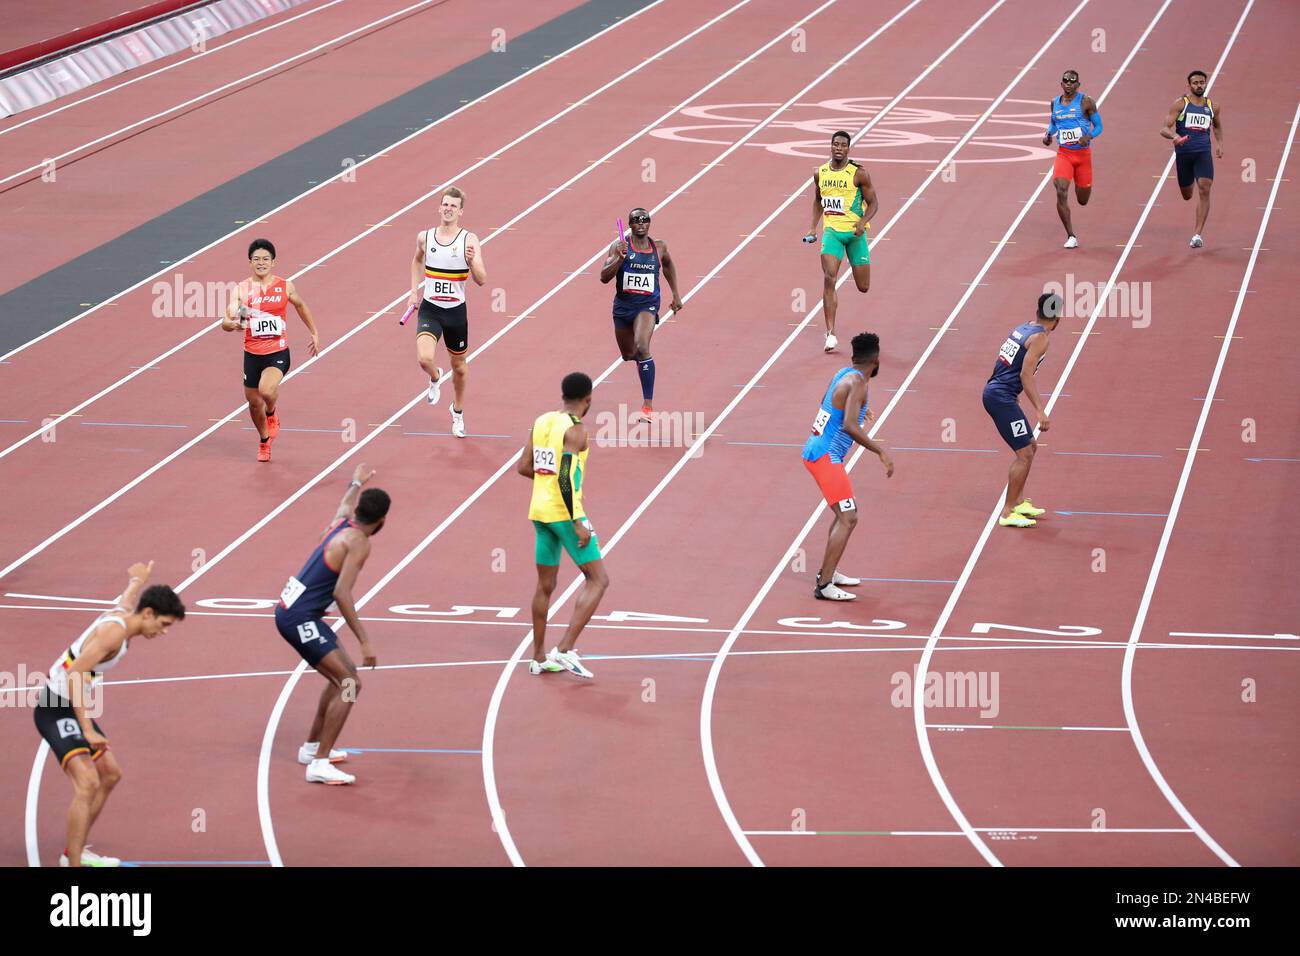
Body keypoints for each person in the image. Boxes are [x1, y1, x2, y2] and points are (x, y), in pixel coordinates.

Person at [32, 561, 185, 866]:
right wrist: (87, 729)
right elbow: (75, 673)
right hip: (54, 707)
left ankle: (73, 850)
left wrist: (136, 580)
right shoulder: (113, 635)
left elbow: (125, 599)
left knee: (111, 774)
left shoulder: (125, 617)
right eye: (164, 624)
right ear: (148, 614)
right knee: (87, 782)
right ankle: (73, 865)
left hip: (70, 707)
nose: (164, 632)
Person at [274, 464, 389, 784]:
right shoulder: (359, 543)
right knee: (351, 683)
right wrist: (365, 640)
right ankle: (319, 764)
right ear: (382, 522)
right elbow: (342, 592)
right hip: (298, 618)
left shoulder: (341, 522)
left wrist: (355, 482)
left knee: (342, 675)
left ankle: (312, 748)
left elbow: (344, 503)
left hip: (294, 611)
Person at [515, 372, 609, 678]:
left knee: (545, 585)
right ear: (588, 399)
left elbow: (524, 467)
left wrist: (547, 482)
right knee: (598, 580)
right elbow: (567, 477)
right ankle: (565, 650)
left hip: (539, 512)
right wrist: (577, 521)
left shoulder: (541, 421)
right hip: (564, 514)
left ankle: (539, 657)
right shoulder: (577, 430)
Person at [800, 332, 894, 600]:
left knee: (843, 515)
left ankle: (828, 572)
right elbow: (849, 426)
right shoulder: (859, 385)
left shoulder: (843, 373)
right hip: (826, 457)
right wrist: (881, 452)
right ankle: (824, 584)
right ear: (876, 359)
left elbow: (827, 403)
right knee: (849, 517)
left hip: (816, 450)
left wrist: (862, 408)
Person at [222, 238, 321, 462]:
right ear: (250, 263)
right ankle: (264, 440)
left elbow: (301, 306)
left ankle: (272, 412)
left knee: (266, 391)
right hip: (252, 354)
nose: (261, 262)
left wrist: (314, 332)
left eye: (265, 259)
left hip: (277, 352)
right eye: (256, 259)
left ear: (273, 262)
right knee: (253, 402)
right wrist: (234, 324)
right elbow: (225, 321)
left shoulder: (285, 286)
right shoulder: (241, 290)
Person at [407, 187, 486, 439]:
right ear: (439, 208)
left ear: (460, 211)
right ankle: (435, 376)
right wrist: (412, 291)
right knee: (424, 359)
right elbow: (417, 261)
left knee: (460, 367)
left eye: (454, 206)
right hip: (431, 309)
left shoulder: (469, 240)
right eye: (446, 205)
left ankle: (458, 412)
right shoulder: (425, 237)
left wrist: (472, 261)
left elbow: (482, 280)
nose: (449, 209)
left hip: (455, 313)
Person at [982, 292, 1063, 528]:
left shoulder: (1024, 327)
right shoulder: (1040, 339)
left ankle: (1018, 502)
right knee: (1024, 453)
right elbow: (1025, 374)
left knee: (1031, 447)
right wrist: (1040, 410)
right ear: (1057, 317)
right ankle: (1008, 512)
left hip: (999, 393)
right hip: (1001, 397)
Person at [599, 208, 684, 422]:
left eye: (644, 219)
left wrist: (676, 294)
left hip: (647, 305)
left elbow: (668, 265)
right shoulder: (619, 246)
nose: (641, 223)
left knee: (642, 345)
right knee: (629, 354)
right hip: (623, 307)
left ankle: (648, 406)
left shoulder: (659, 247)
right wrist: (619, 259)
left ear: (649, 223)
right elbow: (603, 277)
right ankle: (644, 363)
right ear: (629, 224)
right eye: (636, 220)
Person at [803, 131, 877, 352]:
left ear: (848, 148)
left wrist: (863, 222)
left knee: (863, 286)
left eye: (843, 145)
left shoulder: (859, 174)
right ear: (830, 146)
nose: (838, 148)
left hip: (855, 235)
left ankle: (831, 331)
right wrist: (813, 227)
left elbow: (874, 203)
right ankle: (831, 334)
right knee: (829, 277)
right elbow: (818, 200)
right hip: (832, 232)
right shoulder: (820, 173)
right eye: (835, 144)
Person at [1160, 69, 1224, 248]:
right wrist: (1174, 137)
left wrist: (1219, 143)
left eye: (1202, 82)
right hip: (1184, 155)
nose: (1199, 85)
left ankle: (1197, 234)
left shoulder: (1213, 106)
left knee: (1204, 188)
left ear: (1206, 83)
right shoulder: (1180, 104)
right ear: (1189, 85)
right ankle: (1188, 188)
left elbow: (1217, 126)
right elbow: (1164, 127)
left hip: (1203, 153)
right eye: (1195, 83)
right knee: (1187, 194)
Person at [1042, 70, 1102, 248]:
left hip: (1083, 156)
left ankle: (1081, 186)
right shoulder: (1055, 102)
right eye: (1065, 81)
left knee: (1082, 200)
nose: (1068, 84)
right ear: (1061, 84)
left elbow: (1099, 126)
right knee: (1061, 190)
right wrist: (1048, 134)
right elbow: (1054, 123)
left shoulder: (1086, 102)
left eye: (1072, 81)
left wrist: (1089, 136)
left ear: (1078, 85)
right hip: (1064, 154)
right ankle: (1071, 236)